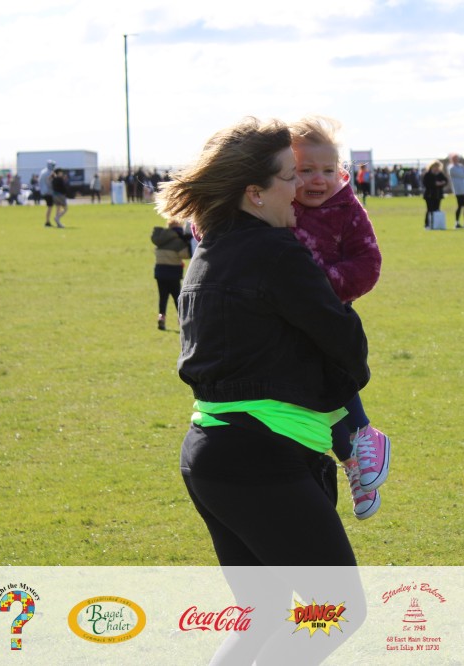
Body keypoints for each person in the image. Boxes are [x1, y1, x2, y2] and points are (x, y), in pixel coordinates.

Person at [156, 117, 368, 665]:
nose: (301, 190)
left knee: (267, 614)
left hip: (210, 456)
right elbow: (347, 349)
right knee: (338, 610)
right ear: (255, 193)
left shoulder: (209, 252)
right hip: (263, 458)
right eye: (289, 178)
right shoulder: (277, 252)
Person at [289, 115, 390, 520]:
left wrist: (323, 287)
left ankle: (365, 433)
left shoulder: (347, 208)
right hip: (284, 317)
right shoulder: (276, 201)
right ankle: (353, 466)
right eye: (306, 170)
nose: (319, 179)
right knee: (317, 401)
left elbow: (368, 261)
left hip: (327, 313)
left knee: (330, 380)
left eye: (328, 170)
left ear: (341, 171)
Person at [151, 219, 192, 330]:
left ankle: (161, 317)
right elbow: (186, 255)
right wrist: (188, 243)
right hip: (173, 273)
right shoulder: (177, 242)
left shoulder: (161, 240)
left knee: (163, 297)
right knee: (177, 297)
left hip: (160, 272)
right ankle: (181, 319)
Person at [447, 153, 464, 228]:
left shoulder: (461, 166)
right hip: (458, 189)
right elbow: (462, 175)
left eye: (457, 158)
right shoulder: (451, 168)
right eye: (454, 158)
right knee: (460, 206)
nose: (456, 160)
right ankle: (457, 222)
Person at [422, 160, 447, 229]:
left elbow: (445, 181)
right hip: (429, 195)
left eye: (437, 167)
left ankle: (435, 224)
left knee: (437, 210)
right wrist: (434, 184)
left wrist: (442, 183)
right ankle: (427, 224)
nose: (436, 168)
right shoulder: (427, 174)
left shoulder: (440, 174)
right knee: (430, 210)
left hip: (438, 195)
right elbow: (426, 184)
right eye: (435, 167)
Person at [38, 160, 55, 226]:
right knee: (50, 207)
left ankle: (48, 221)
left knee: (49, 206)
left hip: (43, 191)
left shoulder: (43, 171)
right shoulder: (49, 172)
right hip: (48, 192)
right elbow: (49, 182)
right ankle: (47, 221)